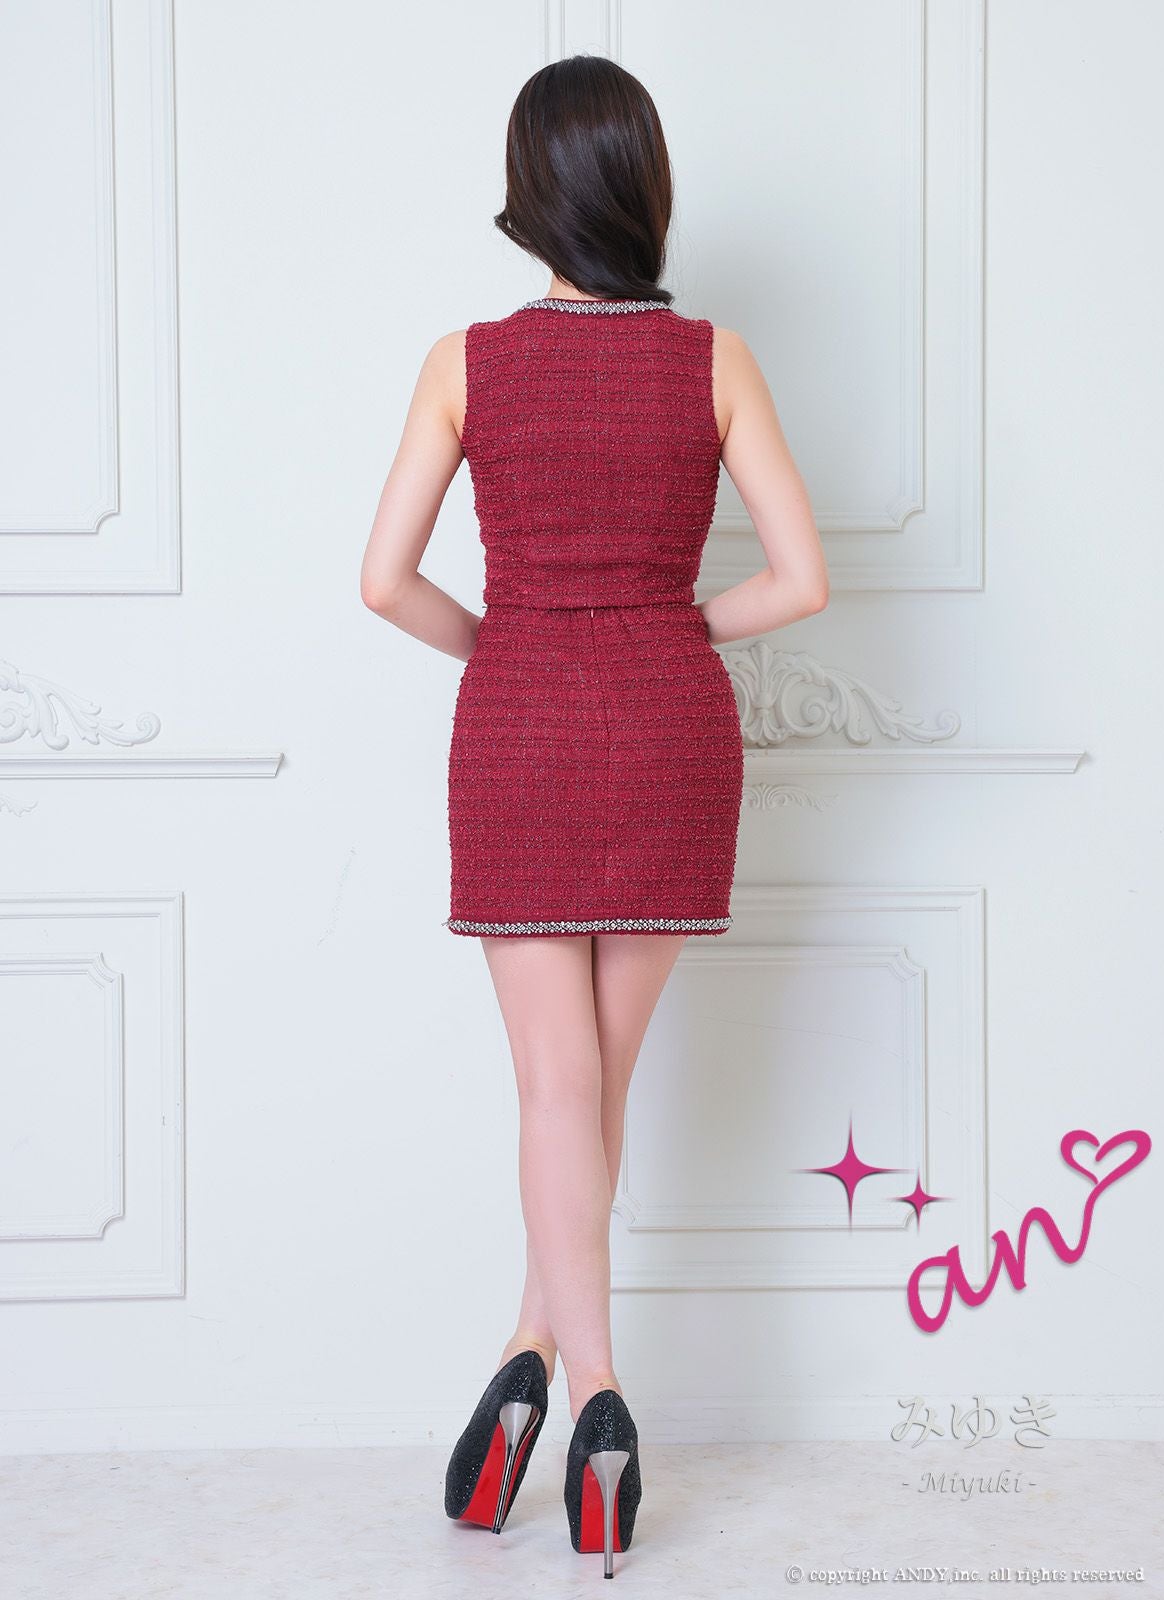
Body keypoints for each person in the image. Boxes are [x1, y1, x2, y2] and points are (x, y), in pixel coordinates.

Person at [360, 53, 828, 1580]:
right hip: (670, 728)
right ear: (644, 187)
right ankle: (539, 1360)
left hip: (520, 732)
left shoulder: (464, 362)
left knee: (557, 1092)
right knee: (598, 1087)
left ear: (528, 193)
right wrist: (673, 623)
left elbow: (382, 581)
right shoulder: (714, 358)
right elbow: (801, 582)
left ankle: (589, 1389)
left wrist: (506, 647)